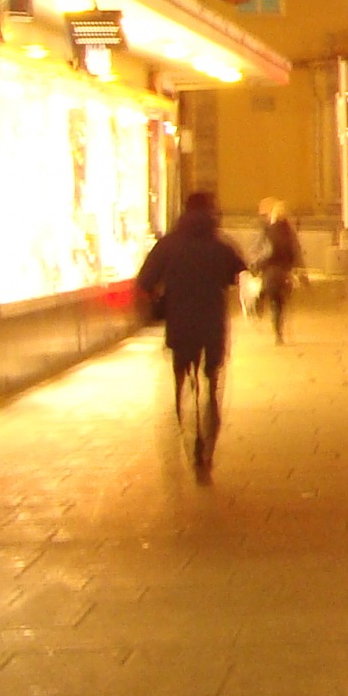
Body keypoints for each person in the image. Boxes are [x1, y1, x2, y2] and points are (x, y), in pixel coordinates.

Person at [136, 193, 247, 482]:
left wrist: (160, 300)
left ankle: (187, 423)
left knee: (183, 377)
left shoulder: (168, 245)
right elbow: (238, 272)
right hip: (211, 325)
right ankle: (206, 447)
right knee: (212, 381)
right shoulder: (220, 245)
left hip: (181, 324)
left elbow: (145, 281)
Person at [255, 199, 301, 344]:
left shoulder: (269, 231)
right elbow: (294, 253)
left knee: (272, 298)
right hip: (284, 273)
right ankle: (279, 334)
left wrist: (257, 265)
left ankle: (260, 299)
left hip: (271, 271)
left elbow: (266, 251)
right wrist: (294, 269)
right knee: (279, 304)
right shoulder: (290, 233)